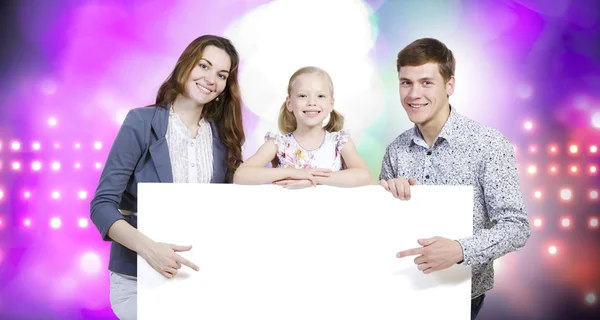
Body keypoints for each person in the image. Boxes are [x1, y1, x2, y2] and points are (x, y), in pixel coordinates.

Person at [90, 35, 245, 320]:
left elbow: (229, 212)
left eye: (221, 75)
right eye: (204, 65)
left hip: (199, 283)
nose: (211, 79)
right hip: (138, 281)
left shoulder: (224, 142)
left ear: (225, 87)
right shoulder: (140, 122)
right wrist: (150, 251)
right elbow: (102, 206)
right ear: (185, 65)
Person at [378, 38, 531, 319]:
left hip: (460, 294)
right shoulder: (395, 151)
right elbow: (381, 229)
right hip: (399, 293)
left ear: (450, 85)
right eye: (406, 83)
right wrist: (383, 193)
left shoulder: (488, 144)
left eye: (426, 82)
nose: (414, 94)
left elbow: (516, 227)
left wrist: (460, 250)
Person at [233, 66, 371, 187]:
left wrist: (312, 178)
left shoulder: (339, 143)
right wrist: (295, 173)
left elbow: (364, 176)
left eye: (321, 96)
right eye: (303, 95)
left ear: (331, 103)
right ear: (290, 103)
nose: (312, 102)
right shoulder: (279, 144)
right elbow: (241, 176)